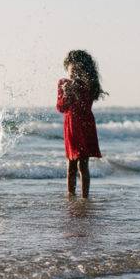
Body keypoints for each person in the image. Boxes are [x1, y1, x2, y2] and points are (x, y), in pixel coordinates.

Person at [56, 49, 106, 197]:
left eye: (77, 70)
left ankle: (85, 198)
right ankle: (70, 195)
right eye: (71, 71)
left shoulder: (88, 85)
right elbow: (61, 108)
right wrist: (66, 93)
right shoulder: (62, 83)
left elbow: (85, 105)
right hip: (70, 126)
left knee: (83, 164)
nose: (73, 74)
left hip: (85, 125)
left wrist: (75, 91)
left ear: (83, 70)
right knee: (71, 163)